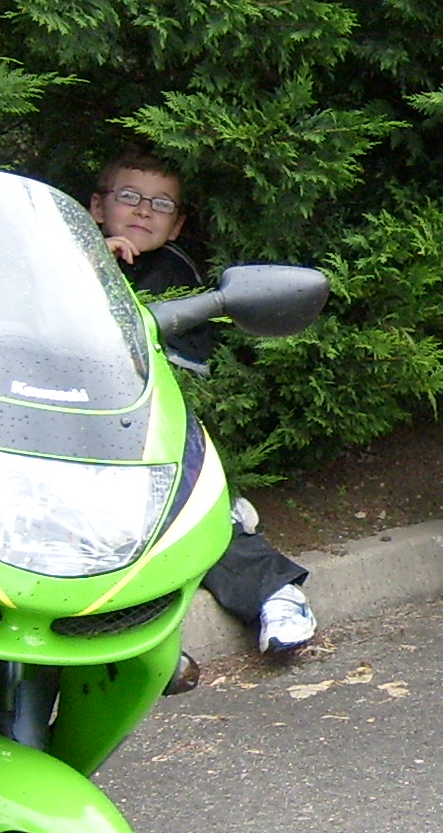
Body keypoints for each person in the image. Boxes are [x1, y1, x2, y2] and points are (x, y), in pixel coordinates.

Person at [89, 151, 318, 658]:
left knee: (182, 515)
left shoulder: (176, 276)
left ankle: (276, 593)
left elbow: (179, 372)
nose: (143, 210)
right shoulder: (65, 261)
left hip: (141, 438)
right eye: (129, 196)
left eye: (161, 204)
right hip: (61, 427)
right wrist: (93, 265)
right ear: (97, 207)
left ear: (176, 225)